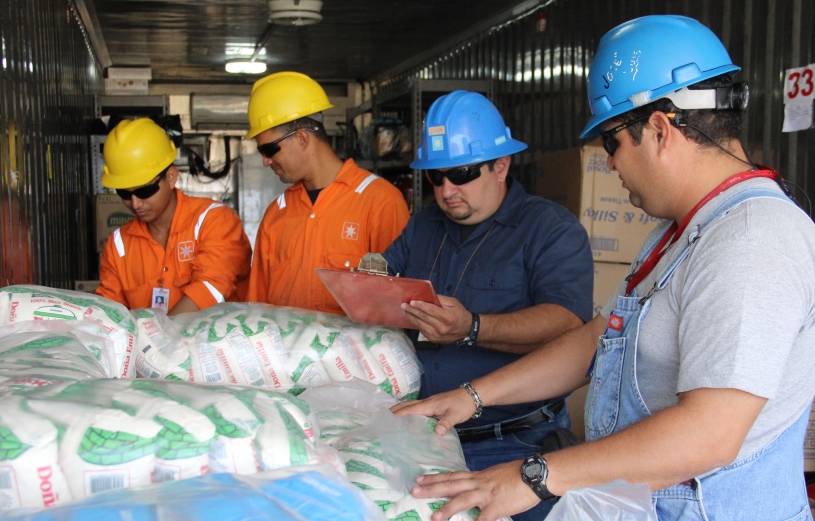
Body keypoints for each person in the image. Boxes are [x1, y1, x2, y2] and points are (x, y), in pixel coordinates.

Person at [391, 15, 815, 521]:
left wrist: (537, 474)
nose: (609, 164)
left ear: (659, 130)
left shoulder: (750, 239)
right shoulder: (676, 233)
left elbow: (711, 433)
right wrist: (472, 396)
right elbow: (597, 339)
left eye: (612, 142)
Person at [382, 90, 594, 520]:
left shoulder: (549, 229)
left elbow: (569, 324)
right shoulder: (423, 226)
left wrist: (473, 327)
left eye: (460, 173)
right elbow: (383, 285)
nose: (446, 190)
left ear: (501, 165)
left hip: (514, 446)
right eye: (435, 177)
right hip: (426, 437)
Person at [244, 71, 410, 314]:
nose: (266, 162)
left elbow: (398, 305)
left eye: (269, 150)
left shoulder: (380, 202)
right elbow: (256, 307)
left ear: (302, 138)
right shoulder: (276, 215)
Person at [97, 118, 252, 315]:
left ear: (171, 177)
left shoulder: (214, 221)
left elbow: (211, 288)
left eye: (145, 191)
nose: (135, 203)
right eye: (125, 194)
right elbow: (110, 313)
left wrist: (160, 338)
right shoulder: (119, 246)